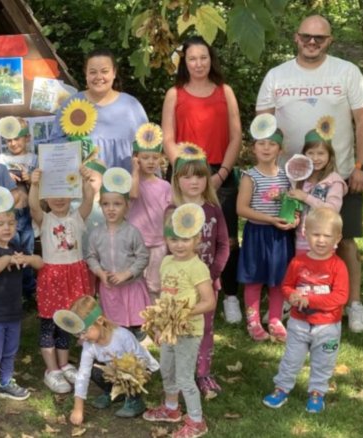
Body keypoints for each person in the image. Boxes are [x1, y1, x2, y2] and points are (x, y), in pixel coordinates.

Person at [256, 15, 363, 332]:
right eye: (306, 36)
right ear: (296, 37)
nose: (312, 42)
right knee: (286, 238)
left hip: (340, 174)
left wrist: (362, 166)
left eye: (319, 38)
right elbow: (263, 126)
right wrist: (267, 166)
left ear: (329, 41)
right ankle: (285, 300)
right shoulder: (277, 76)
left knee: (344, 239)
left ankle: (354, 303)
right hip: (288, 178)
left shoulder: (346, 72)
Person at [161, 36, 243, 326]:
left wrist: (220, 175)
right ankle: (185, 290)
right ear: (184, 61)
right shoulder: (175, 94)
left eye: (204, 57)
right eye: (192, 58)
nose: (198, 63)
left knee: (226, 237)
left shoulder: (225, 91)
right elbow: (168, 138)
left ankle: (230, 294)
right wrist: (183, 172)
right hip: (186, 173)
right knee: (186, 235)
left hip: (221, 171)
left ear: (211, 59)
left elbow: (236, 137)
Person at [262, 208, 349, 414]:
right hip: (298, 323)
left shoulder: (338, 266)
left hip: (327, 326)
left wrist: (308, 300)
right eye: (315, 234)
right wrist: (291, 295)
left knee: (323, 361)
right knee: (291, 358)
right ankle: (281, 388)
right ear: (305, 233)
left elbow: (340, 297)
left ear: (337, 238)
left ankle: (317, 392)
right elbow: (287, 286)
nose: (320, 240)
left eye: (327, 236)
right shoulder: (298, 262)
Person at [142, 205, 216, 438]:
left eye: (185, 239)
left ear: (196, 238)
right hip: (167, 329)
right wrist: (158, 321)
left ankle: (196, 421)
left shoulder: (197, 267)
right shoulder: (166, 262)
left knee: (184, 376)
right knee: (167, 369)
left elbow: (209, 302)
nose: (179, 244)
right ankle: (172, 409)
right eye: (173, 239)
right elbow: (165, 296)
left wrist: (183, 313)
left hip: (188, 330)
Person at [166, 149, 230, 400]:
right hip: (179, 286)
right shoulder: (172, 211)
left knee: (204, 328)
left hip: (206, 285)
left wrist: (212, 274)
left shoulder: (213, 210)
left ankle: (203, 373)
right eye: (187, 177)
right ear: (177, 180)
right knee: (180, 328)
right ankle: (181, 373)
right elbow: (167, 248)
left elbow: (224, 245)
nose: (194, 182)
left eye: (200, 176)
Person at [28, 165, 95, 394]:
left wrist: (86, 181)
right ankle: (52, 370)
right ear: (46, 197)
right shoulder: (44, 220)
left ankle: (65, 364)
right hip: (52, 278)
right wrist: (35, 184)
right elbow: (33, 206)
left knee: (68, 323)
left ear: (71, 194)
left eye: (63, 193)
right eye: (53, 194)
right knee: (49, 323)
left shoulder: (77, 218)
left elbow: (89, 200)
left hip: (73, 276)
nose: (58, 199)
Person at [0, 189, 43, 410]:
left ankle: (4, 382)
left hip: (14, 311)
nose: (7, 228)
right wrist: (8, 259)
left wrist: (27, 258)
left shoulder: (16, 247)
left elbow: (40, 263)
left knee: (11, 350)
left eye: (11, 223)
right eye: (1, 223)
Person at [237, 116, 297, 342]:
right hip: (257, 234)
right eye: (261, 143)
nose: (266, 148)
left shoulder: (286, 176)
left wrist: (295, 219)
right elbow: (241, 208)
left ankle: (274, 319)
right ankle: (253, 320)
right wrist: (269, 219)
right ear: (253, 148)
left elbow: (292, 204)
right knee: (254, 278)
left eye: (271, 144)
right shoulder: (249, 176)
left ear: (280, 150)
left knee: (278, 278)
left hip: (280, 236)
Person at [65, 295, 160, 425]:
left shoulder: (122, 335)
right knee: (94, 370)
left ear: (99, 321)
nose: (82, 337)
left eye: (84, 332)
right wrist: (78, 408)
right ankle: (114, 393)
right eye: (78, 334)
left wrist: (127, 372)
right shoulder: (89, 344)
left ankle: (135, 401)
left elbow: (141, 361)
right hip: (116, 372)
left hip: (140, 369)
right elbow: (83, 373)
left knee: (128, 371)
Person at [55, 48, 149, 171]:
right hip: (85, 182)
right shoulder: (72, 105)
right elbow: (55, 143)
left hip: (126, 183)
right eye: (93, 72)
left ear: (114, 73)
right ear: (86, 74)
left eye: (104, 71)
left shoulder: (131, 106)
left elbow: (148, 147)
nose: (99, 77)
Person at [87, 167, 150, 339]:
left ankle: (138, 351)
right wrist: (99, 272)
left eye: (117, 204)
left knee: (138, 328)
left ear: (127, 206)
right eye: (106, 204)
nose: (111, 209)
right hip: (110, 289)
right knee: (116, 329)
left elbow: (143, 256)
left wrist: (127, 273)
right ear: (100, 205)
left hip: (131, 287)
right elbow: (91, 256)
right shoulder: (96, 234)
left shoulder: (132, 232)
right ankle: (120, 357)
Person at [287, 119, 348, 254]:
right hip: (302, 239)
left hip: (324, 240)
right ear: (304, 155)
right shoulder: (301, 180)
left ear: (330, 156)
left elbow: (333, 209)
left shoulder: (334, 181)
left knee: (322, 272)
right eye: (311, 153)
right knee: (303, 273)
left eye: (321, 153)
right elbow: (298, 207)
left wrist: (305, 197)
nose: (315, 158)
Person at [127, 124, 172, 303]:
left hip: (158, 243)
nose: (151, 162)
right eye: (145, 158)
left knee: (154, 285)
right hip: (136, 244)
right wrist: (135, 171)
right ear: (136, 158)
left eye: (155, 157)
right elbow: (133, 194)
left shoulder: (165, 186)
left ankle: (153, 321)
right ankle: (137, 318)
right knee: (135, 282)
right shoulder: (131, 183)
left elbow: (169, 215)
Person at [0, 117, 39, 299]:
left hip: (28, 212)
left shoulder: (34, 159)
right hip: (10, 213)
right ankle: (14, 290)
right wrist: (7, 179)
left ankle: (29, 290)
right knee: (11, 249)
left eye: (17, 138)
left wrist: (29, 180)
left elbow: (41, 186)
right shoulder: (1, 159)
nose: (13, 143)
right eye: (9, 140)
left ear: (27, 138)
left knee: (27, 250)